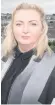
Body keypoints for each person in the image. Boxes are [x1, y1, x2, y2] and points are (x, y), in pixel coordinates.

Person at [1, 3, 55, 104]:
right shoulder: (3, 57)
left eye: (33, 24)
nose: (25, 30)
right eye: (19, 24)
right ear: (12, 28)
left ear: (42, 28)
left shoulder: (52, 65)